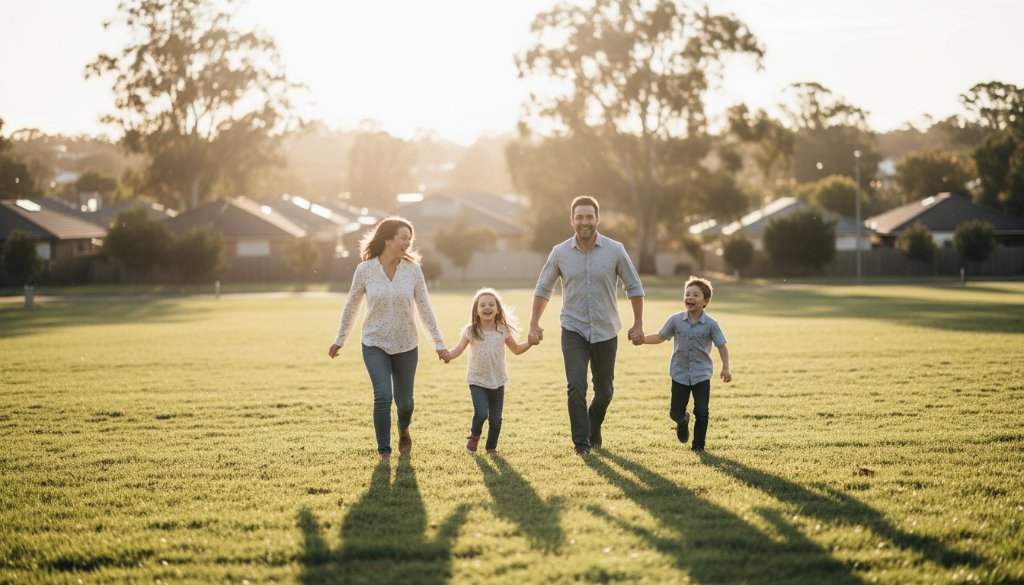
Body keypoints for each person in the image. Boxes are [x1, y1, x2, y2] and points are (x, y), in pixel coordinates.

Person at [529, 196, 645, 456]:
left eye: (589, 217)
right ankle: (581, 445)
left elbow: (634, 287)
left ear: (597, 219)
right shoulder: (559, 253)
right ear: (572, 220)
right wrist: (534, 324)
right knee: (576, 386)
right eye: (579, 217)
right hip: (573, 329)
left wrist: (638, 324)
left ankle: (593, 429)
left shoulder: (615, 250)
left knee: (604, 391)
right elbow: (543, 289)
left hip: (606, 329)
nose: (584, 222)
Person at [328, 217, 450, 462]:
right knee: (382, 396)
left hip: (407, 344)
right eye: (403, 237)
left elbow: (425, 309)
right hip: (374, 343)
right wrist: (340, 338)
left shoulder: (413, 271)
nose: (408, 242)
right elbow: (352, 305)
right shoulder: (365, 270)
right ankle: (384, 452)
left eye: (410, 238)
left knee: (404, 402)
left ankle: (403, 429)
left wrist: (438, 344)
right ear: (388, 239)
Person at [639, 275, 731, 452]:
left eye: (695, 295)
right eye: (687, 294)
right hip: (679, 373)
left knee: (702, 412)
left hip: (701, 375)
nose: (690, 298)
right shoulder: (675, 320)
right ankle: (682, 421)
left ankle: (698, 447)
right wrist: (642, 339)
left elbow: (722, 346)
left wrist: (725, 368)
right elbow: (660, 336)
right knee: (675, 413)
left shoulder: (711, 324)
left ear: (706, 301)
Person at [445, 288, 534, 455]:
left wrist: (530, 342)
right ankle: (474, 436)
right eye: (483, 305)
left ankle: (491, 448)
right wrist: (447, 355)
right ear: (476, 311)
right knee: (481, 414)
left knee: (496, 419)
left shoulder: (502, 330)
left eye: (491, 304)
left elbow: (516, 349)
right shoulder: (471, 330)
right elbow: (457, 350)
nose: (487, 307)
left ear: (498, 309)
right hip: (477, 379)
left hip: (498, 380)